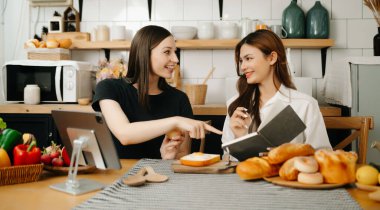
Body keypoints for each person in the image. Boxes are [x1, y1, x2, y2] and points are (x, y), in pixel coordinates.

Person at [92, 25, 222, 160]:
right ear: (144, 53)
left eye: (175, 52)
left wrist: (168, 158)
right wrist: (176, 121)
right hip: (117, 178)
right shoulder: (109, 88)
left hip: (161, 178)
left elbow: (182, 156)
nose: (176, 60)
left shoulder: (179, 99)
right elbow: (124, 134)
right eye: (167, 52)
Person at [221, 29, 331, 153]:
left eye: (249, 58)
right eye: (241, 61)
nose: (242, 67)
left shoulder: (305, 105)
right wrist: (239, 138)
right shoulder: (235, 104)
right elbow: (227, 159)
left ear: (272, 58)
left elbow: (323, 155)